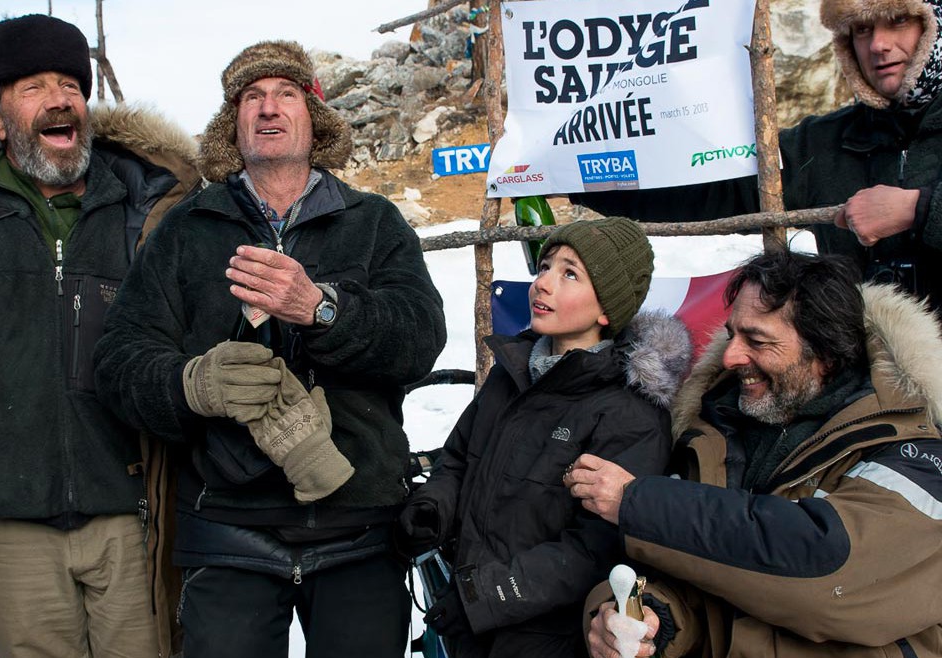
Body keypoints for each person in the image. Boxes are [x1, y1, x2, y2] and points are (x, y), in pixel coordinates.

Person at [92, 40, 447, 658]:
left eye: (286, 94)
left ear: (315, 117)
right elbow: (120, 359)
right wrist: (192, 385)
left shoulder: (374, 222)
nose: (268, 107)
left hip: (360, 523)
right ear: (232, 124)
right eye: (251, 97)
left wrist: (324, 310)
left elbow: (420, 338)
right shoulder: (187, 229)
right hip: (228, 526)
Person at [0, 14, 200, 658]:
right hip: (9, 527)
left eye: (71, 85)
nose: (60, 99)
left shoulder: (145, 208)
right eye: (34, 87)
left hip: (131, 518)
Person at [566, 250, 942, 658]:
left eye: (757, 341)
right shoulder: (714, 427)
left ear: (825, 352)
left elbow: (828, 573)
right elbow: (702, 572)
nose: (731, 357)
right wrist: (650, 621)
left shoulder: (914, 445)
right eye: (732, 335)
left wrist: (640, 503)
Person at [395, 217, 691, 658]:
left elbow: (594, 548)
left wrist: (481, 599)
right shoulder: (512, 375)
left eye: (570, 274)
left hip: (547, 639)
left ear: (606, 309)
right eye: (545, 266)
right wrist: (433, 507)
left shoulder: (629, 413)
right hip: (470, 626)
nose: (543, 284)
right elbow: (458, 457)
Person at [575, 0, 942, 314]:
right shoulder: (823, 141)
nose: (878, 44)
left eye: (898, 21)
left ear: (933, 27)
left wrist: (919, 209)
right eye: (861, 29)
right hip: (865, 363)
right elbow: (714, 189)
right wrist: (576, 179)